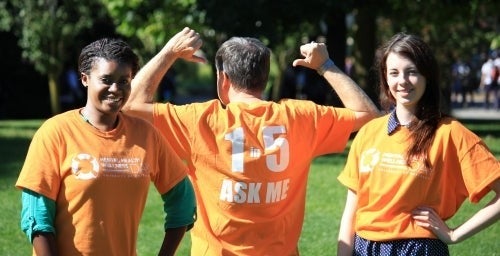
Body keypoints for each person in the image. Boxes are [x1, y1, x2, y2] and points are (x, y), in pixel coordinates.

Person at [123, 27, 380, 255]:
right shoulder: (300, 117)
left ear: (223, 79)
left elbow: (130, 105)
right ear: (264, 77)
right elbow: (369, 116)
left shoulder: (200, 120)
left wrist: (169, 52)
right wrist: (326, 66)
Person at [15, 38, 196, 255]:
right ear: (85, 79)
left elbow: (183, 201)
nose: (115, 89)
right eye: (106, 79)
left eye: (124, 81)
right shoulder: (55, 132)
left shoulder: (146, 135)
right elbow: (37, 217)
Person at [337, 32, 500, 256]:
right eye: (394, 73)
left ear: (427, 76)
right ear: (385, 78)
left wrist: (454, 234)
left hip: (418, 249)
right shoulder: (368, 132)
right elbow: (351, 210)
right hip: (364, 248)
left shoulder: (450, 133)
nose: (402, 81)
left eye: (411, 72)